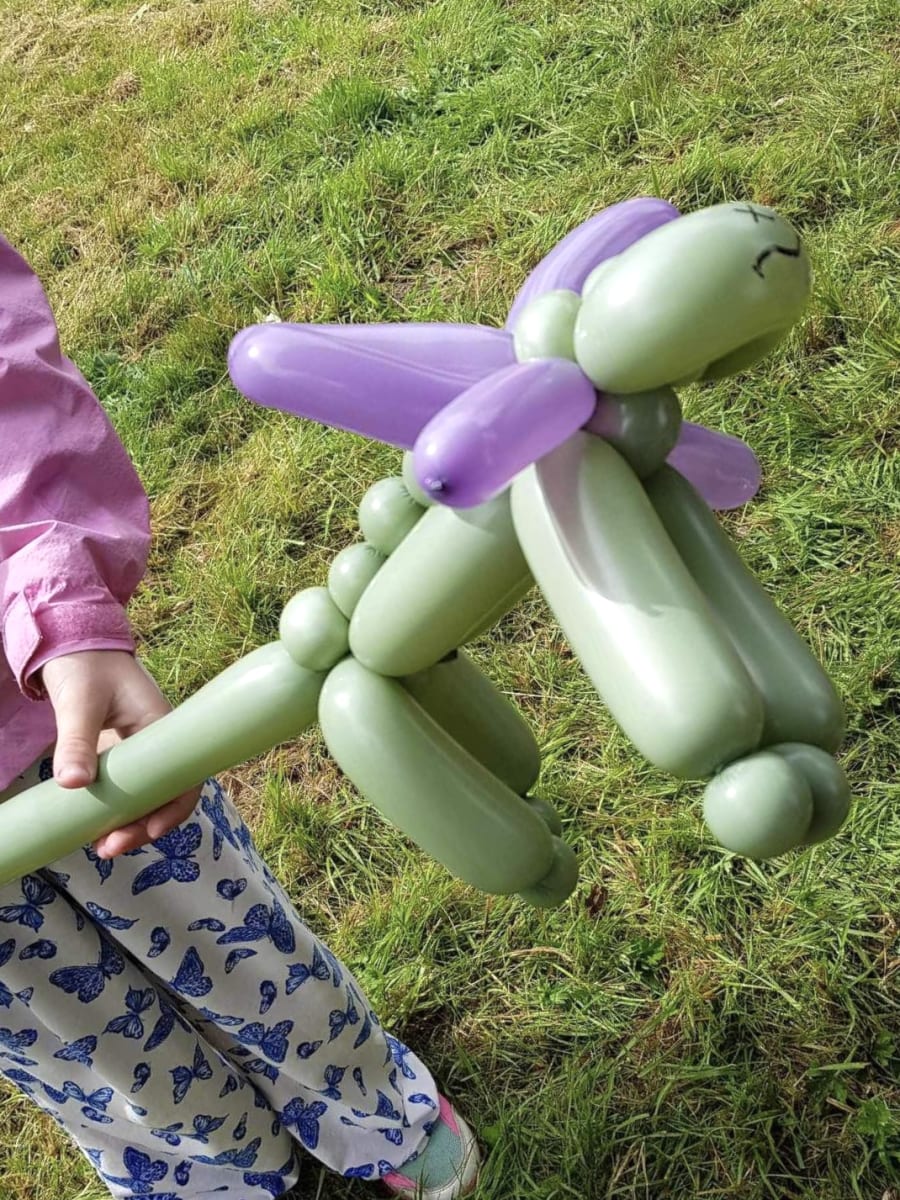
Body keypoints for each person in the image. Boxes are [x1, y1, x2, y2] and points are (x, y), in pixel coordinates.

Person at [0, 231, 481, 1200]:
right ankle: (205, 1174)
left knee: (226, 935)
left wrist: (53, 596)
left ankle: (363, 1100)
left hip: (51, 713)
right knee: (65, 1037)